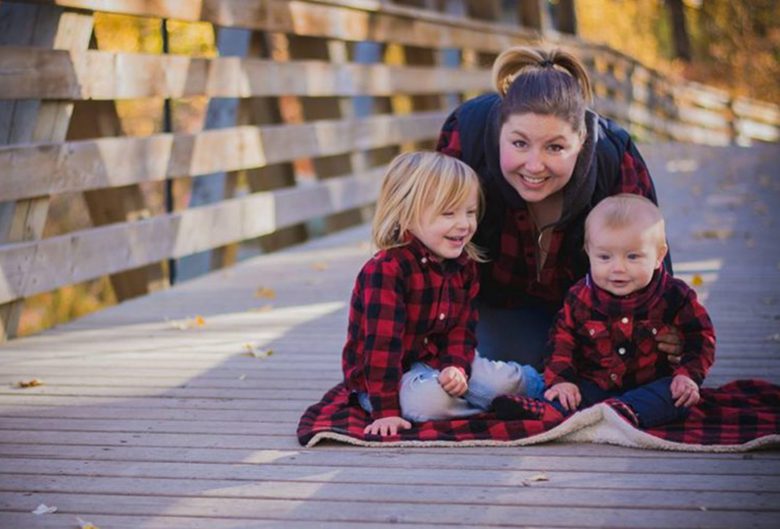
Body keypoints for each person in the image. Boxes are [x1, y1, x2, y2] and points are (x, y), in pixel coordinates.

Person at [436, 45, 680, 370]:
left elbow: (648, 259)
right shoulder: (467, 135)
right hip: (490, 308)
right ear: (498, 133)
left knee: (632, 371)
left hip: (586, 319)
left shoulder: (614, 156)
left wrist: (669, 327)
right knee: (477, 375)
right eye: (519, 143)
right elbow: (422, 242)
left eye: (555, 147)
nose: (534, 166)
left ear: (581, 141)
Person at [342, 151, 544, 436]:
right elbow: (380, 351)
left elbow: (461, 329)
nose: (464, 224)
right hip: (388, 377)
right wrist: (385, 412)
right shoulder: (385, 271)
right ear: (407, 216)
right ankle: (502, 408)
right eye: (448, 213)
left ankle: (545, 388)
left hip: (438, 360)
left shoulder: (462, 265)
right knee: (426, 404)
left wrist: (456, 367)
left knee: (499, 381)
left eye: (470, 212)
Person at [538, 194, 715, 427]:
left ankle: (619, 412)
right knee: (565, 397)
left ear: (658, 256)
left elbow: (700, 337)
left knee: (678, 398)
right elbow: (561, 343)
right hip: (595, 385)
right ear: (588, 252)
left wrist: (687, 375)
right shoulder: (579, 297)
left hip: (652, 385)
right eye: (604, 257)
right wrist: (562, 381)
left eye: (633, 257)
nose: (618, 268)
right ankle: (548, 409)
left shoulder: (675, 296)